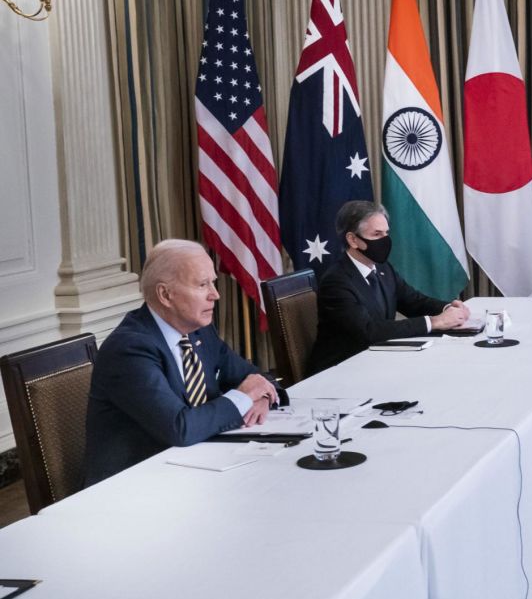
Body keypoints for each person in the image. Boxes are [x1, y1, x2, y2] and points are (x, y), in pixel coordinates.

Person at [84, 240, 282, 484]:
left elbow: (253, 378)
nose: (215, 295)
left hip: (194, 469)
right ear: (165, 295)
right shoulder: (129, 349)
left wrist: (261, 397)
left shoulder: (198, 331)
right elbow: (180, 428)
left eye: (213, 282)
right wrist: (244, 397)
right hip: (134, 486)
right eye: (202, 284)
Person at [307, 200, 470, 374]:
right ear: (353, 239)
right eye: (377, 234)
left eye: (386, 233)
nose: (385, 241)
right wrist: (435, 322)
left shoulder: (383, 268)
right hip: (341, 370)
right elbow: (368, 331)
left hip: (378, 361)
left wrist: (448, 308)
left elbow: (413, 301)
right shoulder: (336, 281)